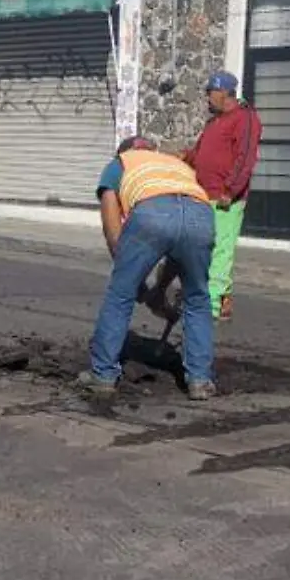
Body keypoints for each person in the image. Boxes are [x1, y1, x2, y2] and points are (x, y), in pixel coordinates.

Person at [76, 137, 219, 402]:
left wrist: (134, 283)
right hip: (201, 215)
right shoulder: (175, 164)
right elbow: (179, 241)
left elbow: (112, 226)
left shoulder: (120, 164)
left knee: (119, 296)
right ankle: (199, 380)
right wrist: (159, 290)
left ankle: (104, 375)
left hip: (152, 213)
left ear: (125, 151)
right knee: (197, 299)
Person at [152, 72, 263, 322]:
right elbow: (199, 152)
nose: (206, 98)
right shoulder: (215, 122)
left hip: (226, 198)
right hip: (203, 194)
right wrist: (180, 159)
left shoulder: (245, 118)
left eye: (209, 92)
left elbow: (245, 158)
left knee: (221, 250)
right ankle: (218, 298)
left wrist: (230, 190)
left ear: (224, 92)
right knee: (199, 247)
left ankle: (210, 307)